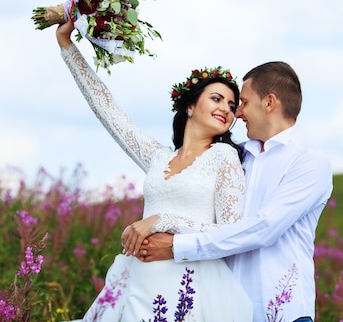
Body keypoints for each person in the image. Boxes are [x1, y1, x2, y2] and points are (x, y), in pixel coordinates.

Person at [54, 20, 253, 322]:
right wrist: (67, 45)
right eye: (216, 98)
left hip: (189, 285)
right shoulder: (158, 158)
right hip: (137, 279)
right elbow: (108, 110)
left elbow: (230, 233)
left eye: (232, 104)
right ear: (189, 106)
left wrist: (161, 221)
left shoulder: (224, 157)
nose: (226, 108)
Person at [129, 62, 334, 322]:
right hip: (225, 309)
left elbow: (264, 229)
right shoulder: (235, 157)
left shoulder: (309, 162)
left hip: (282, 310)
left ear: (269, 103)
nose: (237, 113)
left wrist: (175, 246)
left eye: (243, 103)